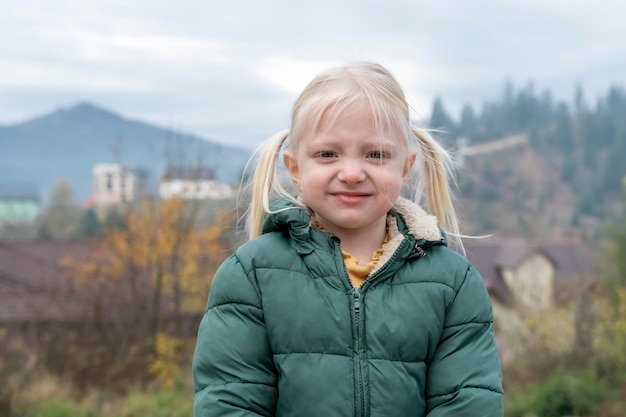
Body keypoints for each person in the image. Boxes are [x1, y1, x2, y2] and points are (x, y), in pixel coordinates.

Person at [192, 61, 503, 416]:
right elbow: (230, 403)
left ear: (405, 167)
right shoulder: (250, 276)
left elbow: (468, 403)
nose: (352, 173)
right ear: (294, 168)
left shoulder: (453, 284)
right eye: (328, 154)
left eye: (376, 154)